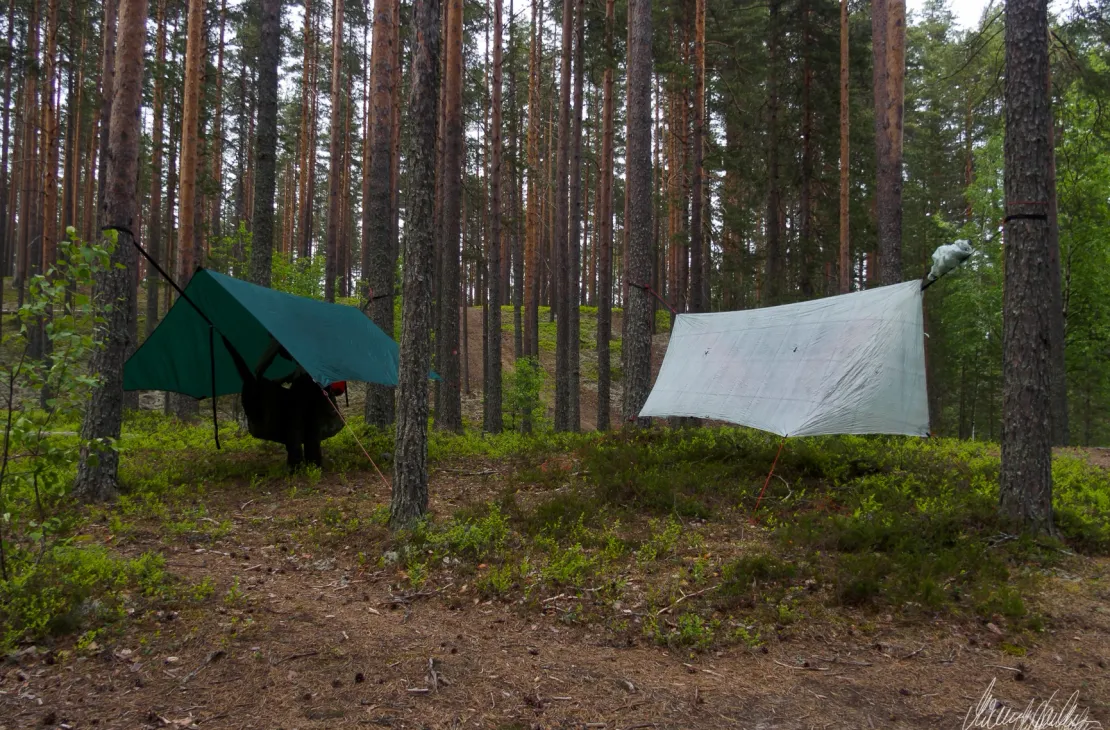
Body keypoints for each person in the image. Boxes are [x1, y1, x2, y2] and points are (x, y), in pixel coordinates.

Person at [223, 335, 343, 470]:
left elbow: (270, 355)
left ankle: (296, 463)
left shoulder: (281, 333)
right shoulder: (304, 337)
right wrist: (283, 379)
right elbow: (303, 367)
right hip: (317, 383)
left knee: (296, 423)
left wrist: (258, 374)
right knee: (312, 423)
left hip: (308, 384)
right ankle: (313, 461)